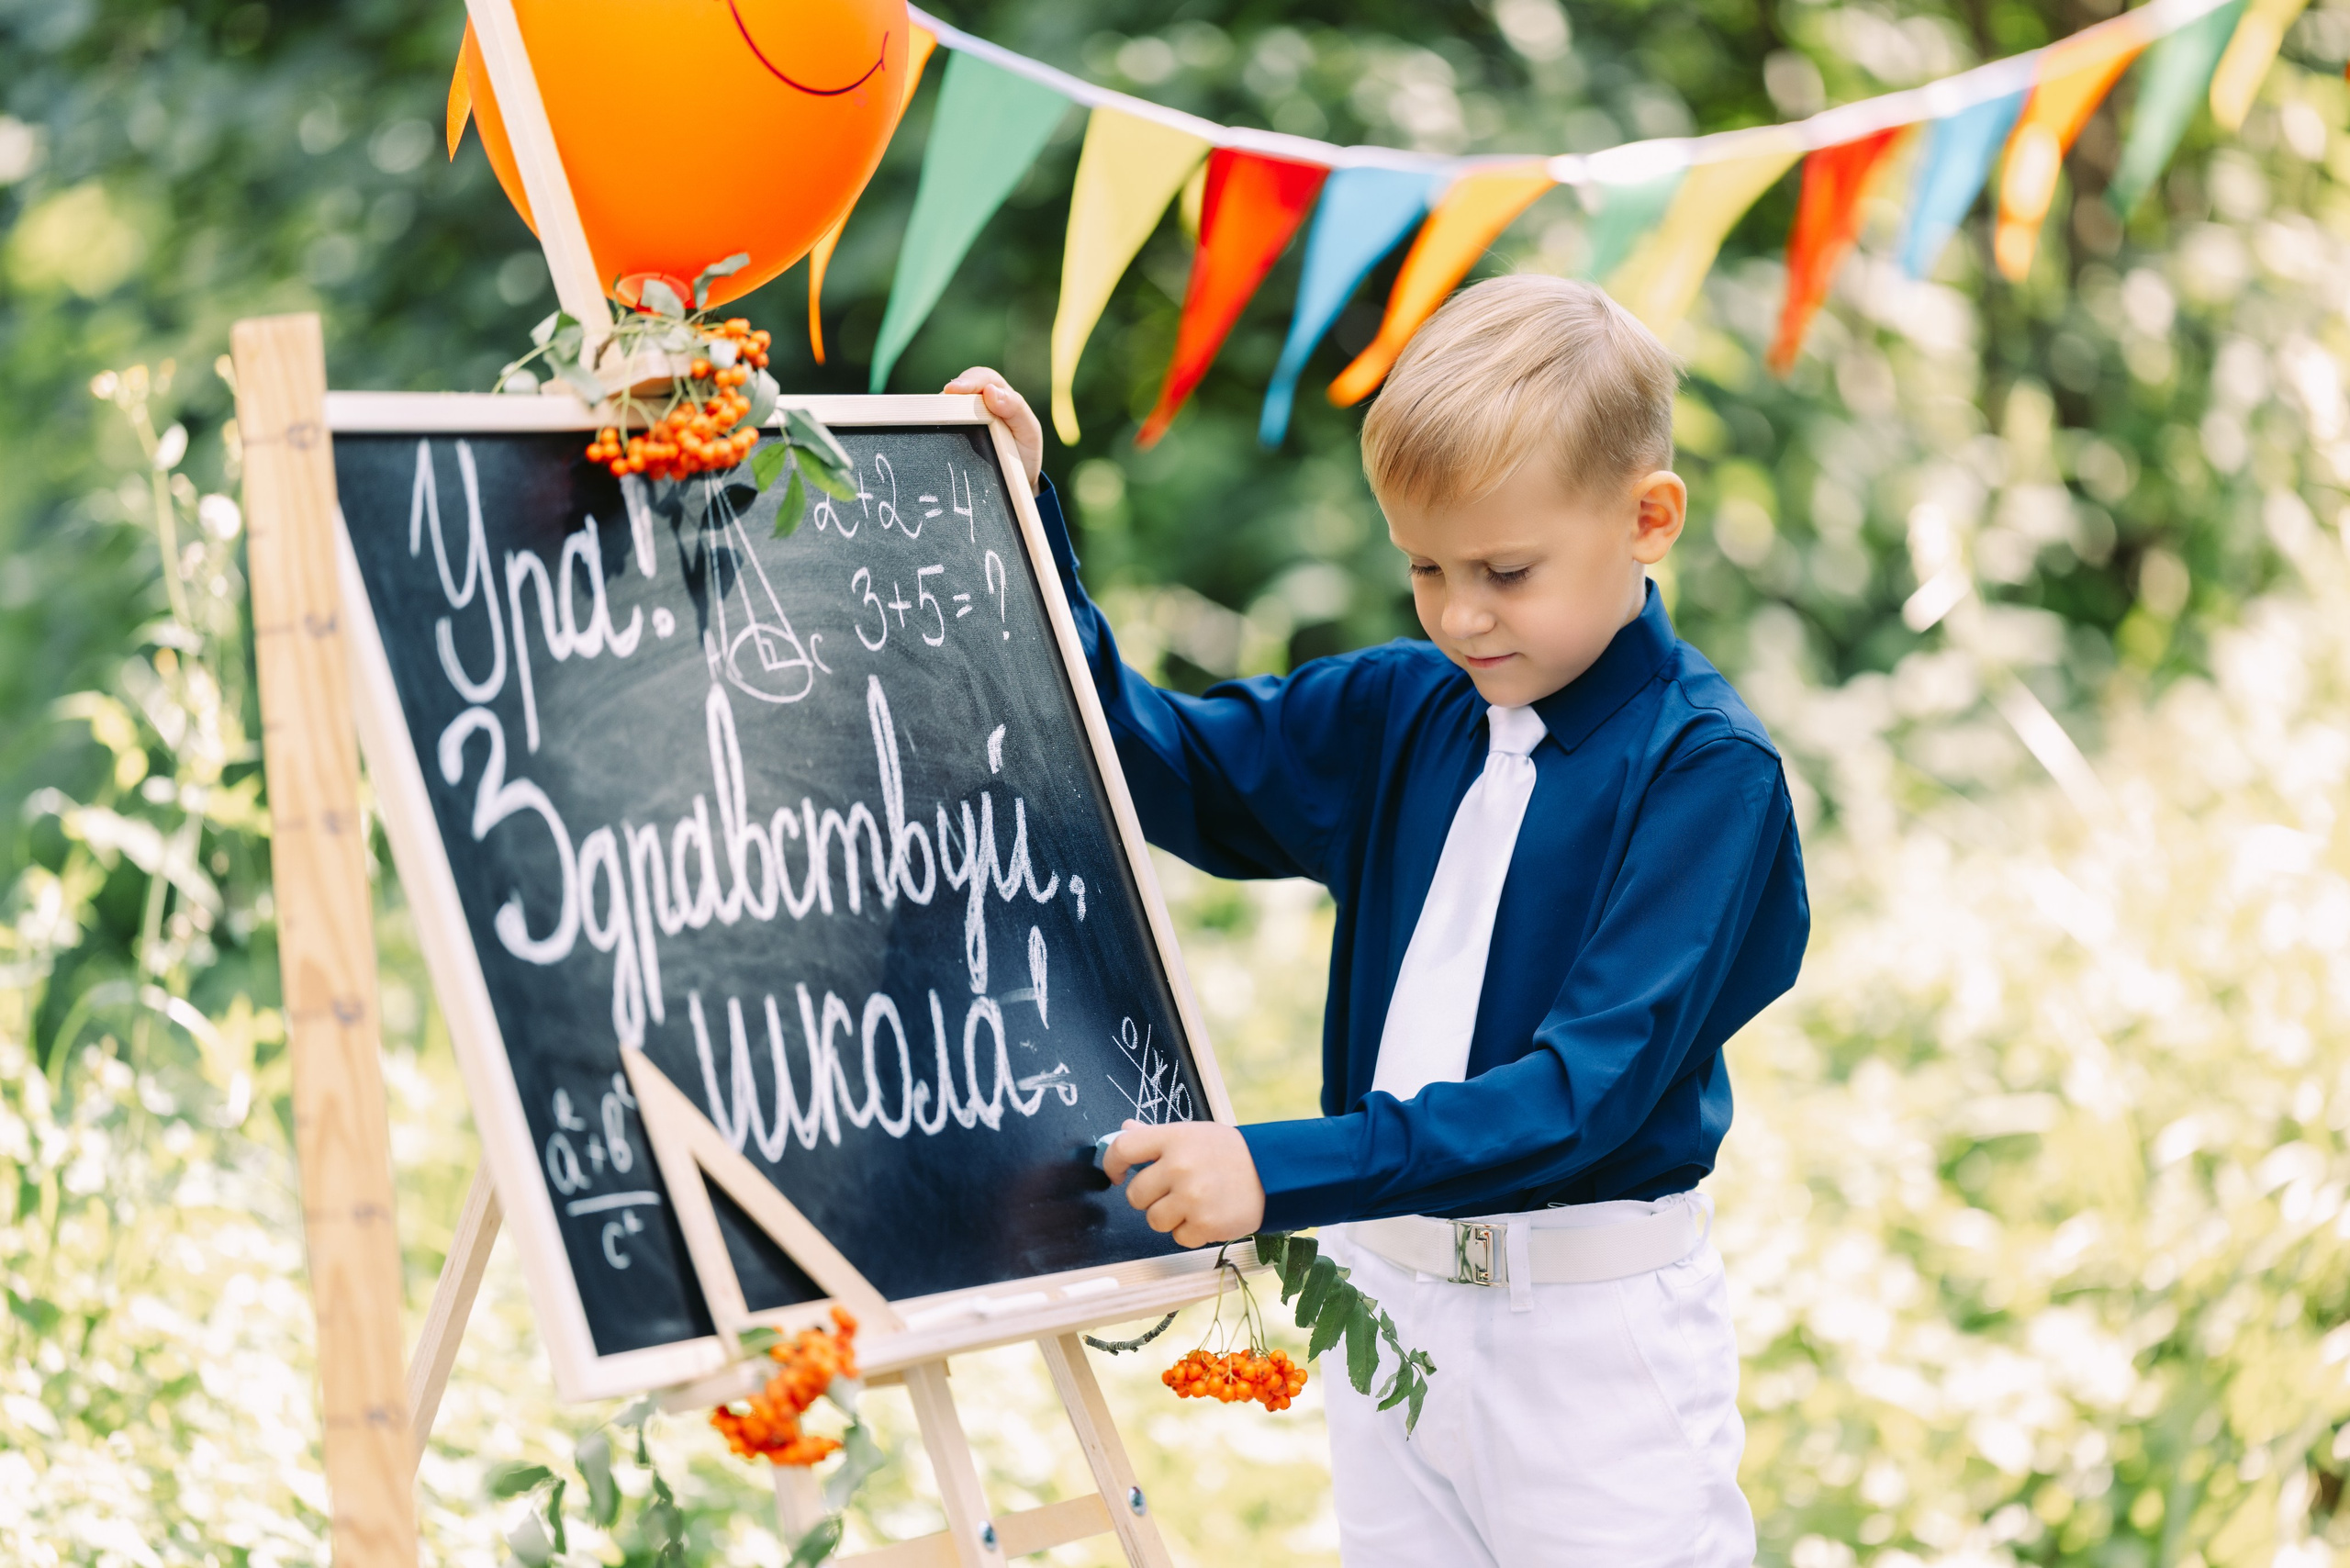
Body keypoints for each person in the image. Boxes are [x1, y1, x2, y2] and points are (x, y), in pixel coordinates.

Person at [945, 273, 1807, 1567]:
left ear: (1648, 518)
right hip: (1388, 1313)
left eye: (1507, 572)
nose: (1461, 614)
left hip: (1585, 1342)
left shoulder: (1705, 773)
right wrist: (1024, 531)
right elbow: (1153, 762)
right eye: (1424, 567)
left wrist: (1272, 1170)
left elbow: (1580, 1096)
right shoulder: (1409, 707)